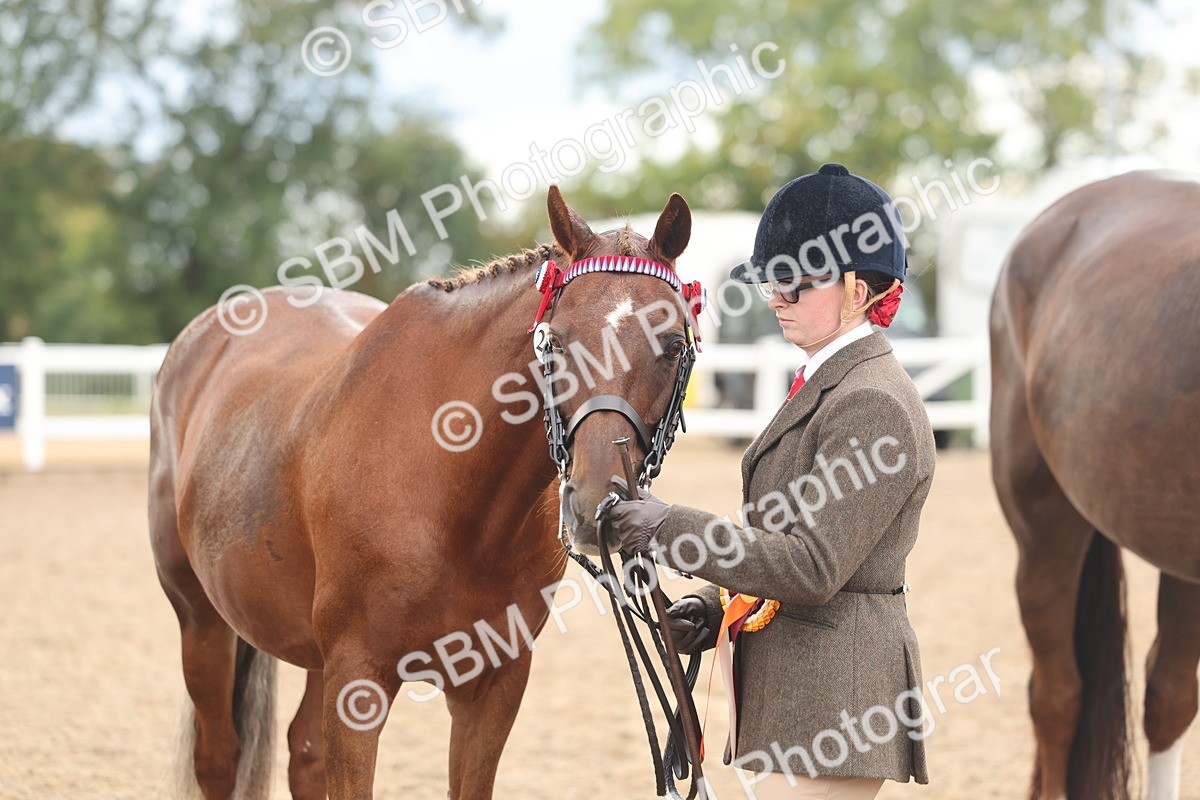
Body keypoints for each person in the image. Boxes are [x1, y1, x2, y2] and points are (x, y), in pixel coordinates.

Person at [605, 163, 935, 800]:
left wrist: (667, 528)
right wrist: (714, 605)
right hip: (798, 698)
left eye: (794, 283)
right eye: (771, 282)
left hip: (836, 704)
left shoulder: (872, 403)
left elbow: (811, 565)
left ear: (857, 290)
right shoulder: (829, 383)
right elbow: (781, 534)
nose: (775, 298)